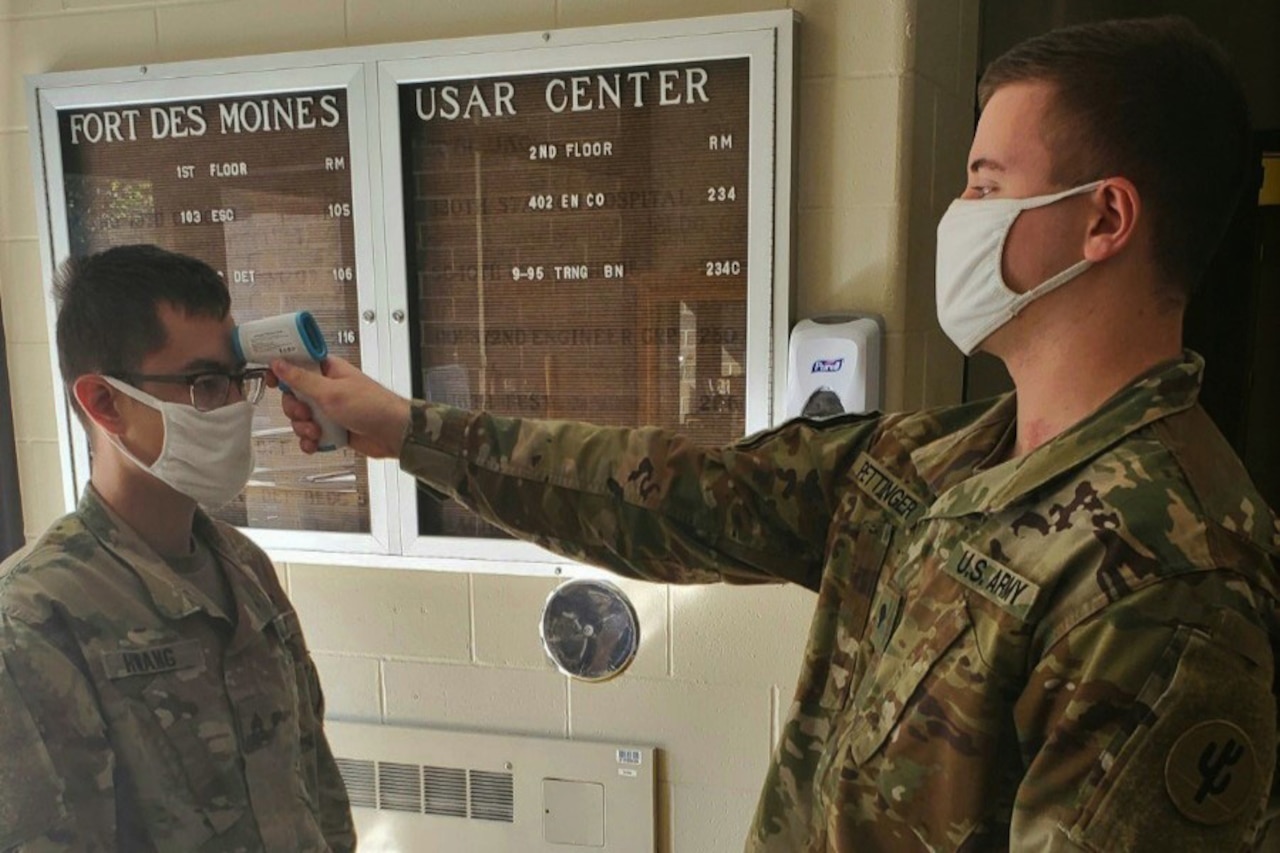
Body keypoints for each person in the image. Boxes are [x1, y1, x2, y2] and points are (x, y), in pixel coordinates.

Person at [271, 16, 1280, 851]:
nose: (956, 214)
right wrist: (408, 429)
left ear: (1102, 219)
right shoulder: (935, 459)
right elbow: (666, 493)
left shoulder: (1168, 573)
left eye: (983, 184)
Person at [0, 245, 355, 851]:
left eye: (235, 382)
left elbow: (315, 788)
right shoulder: (32, 618)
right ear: (105, 402)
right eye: (203, 383)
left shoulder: (245, 568)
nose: (230, 410)